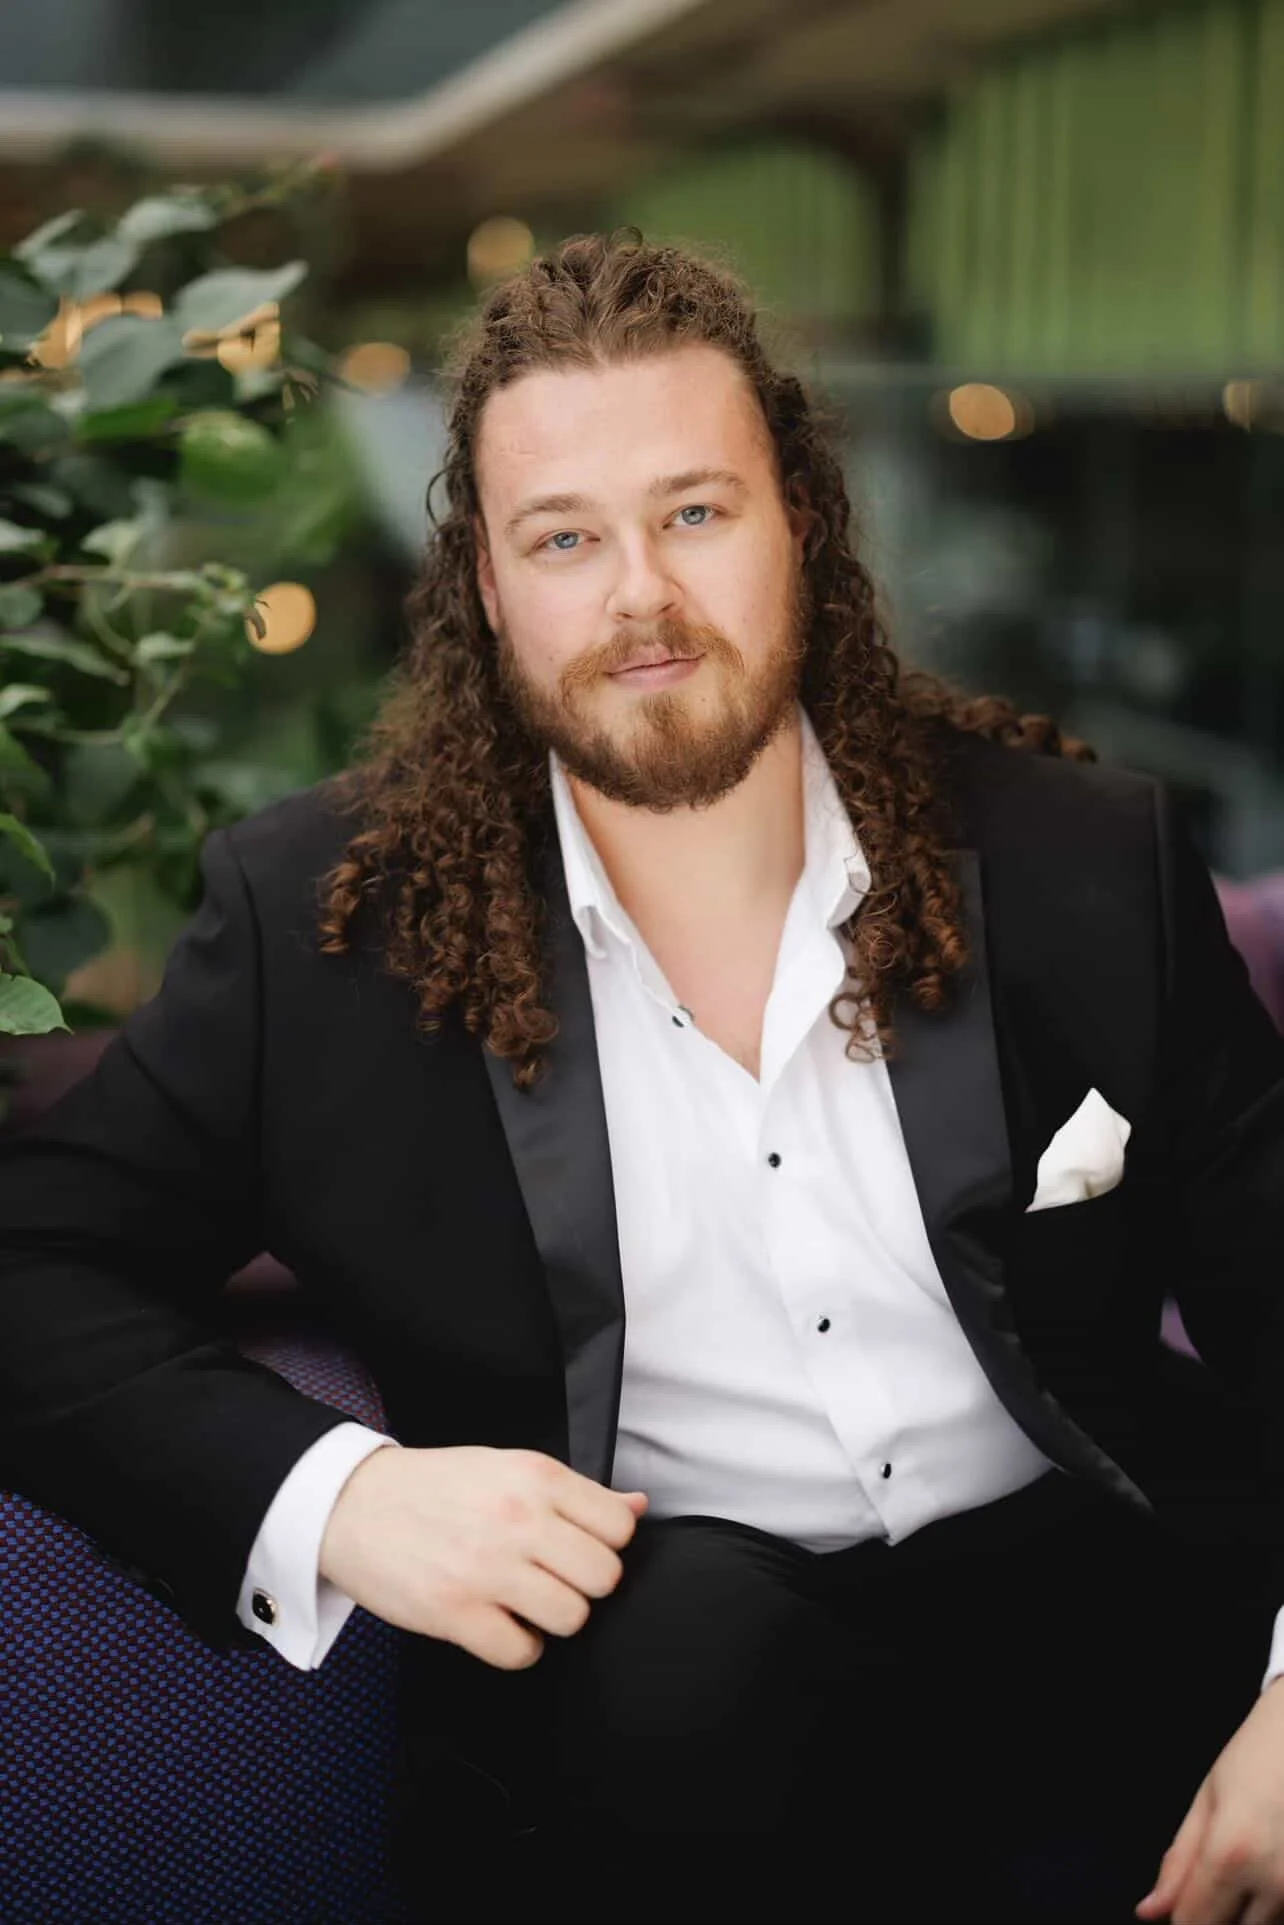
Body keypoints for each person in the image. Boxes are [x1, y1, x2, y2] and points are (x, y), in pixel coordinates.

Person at [4, 230, 1284, 1925]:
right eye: (564, 538)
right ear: (486, 587)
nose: (638, 598)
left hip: (1103, 1595)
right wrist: (345, 1494)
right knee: (681, 1652)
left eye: (696, 512)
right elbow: (32, 1260)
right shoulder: (327, 942)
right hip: (666, 1696)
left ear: (800, 530)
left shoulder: (1081, 861)